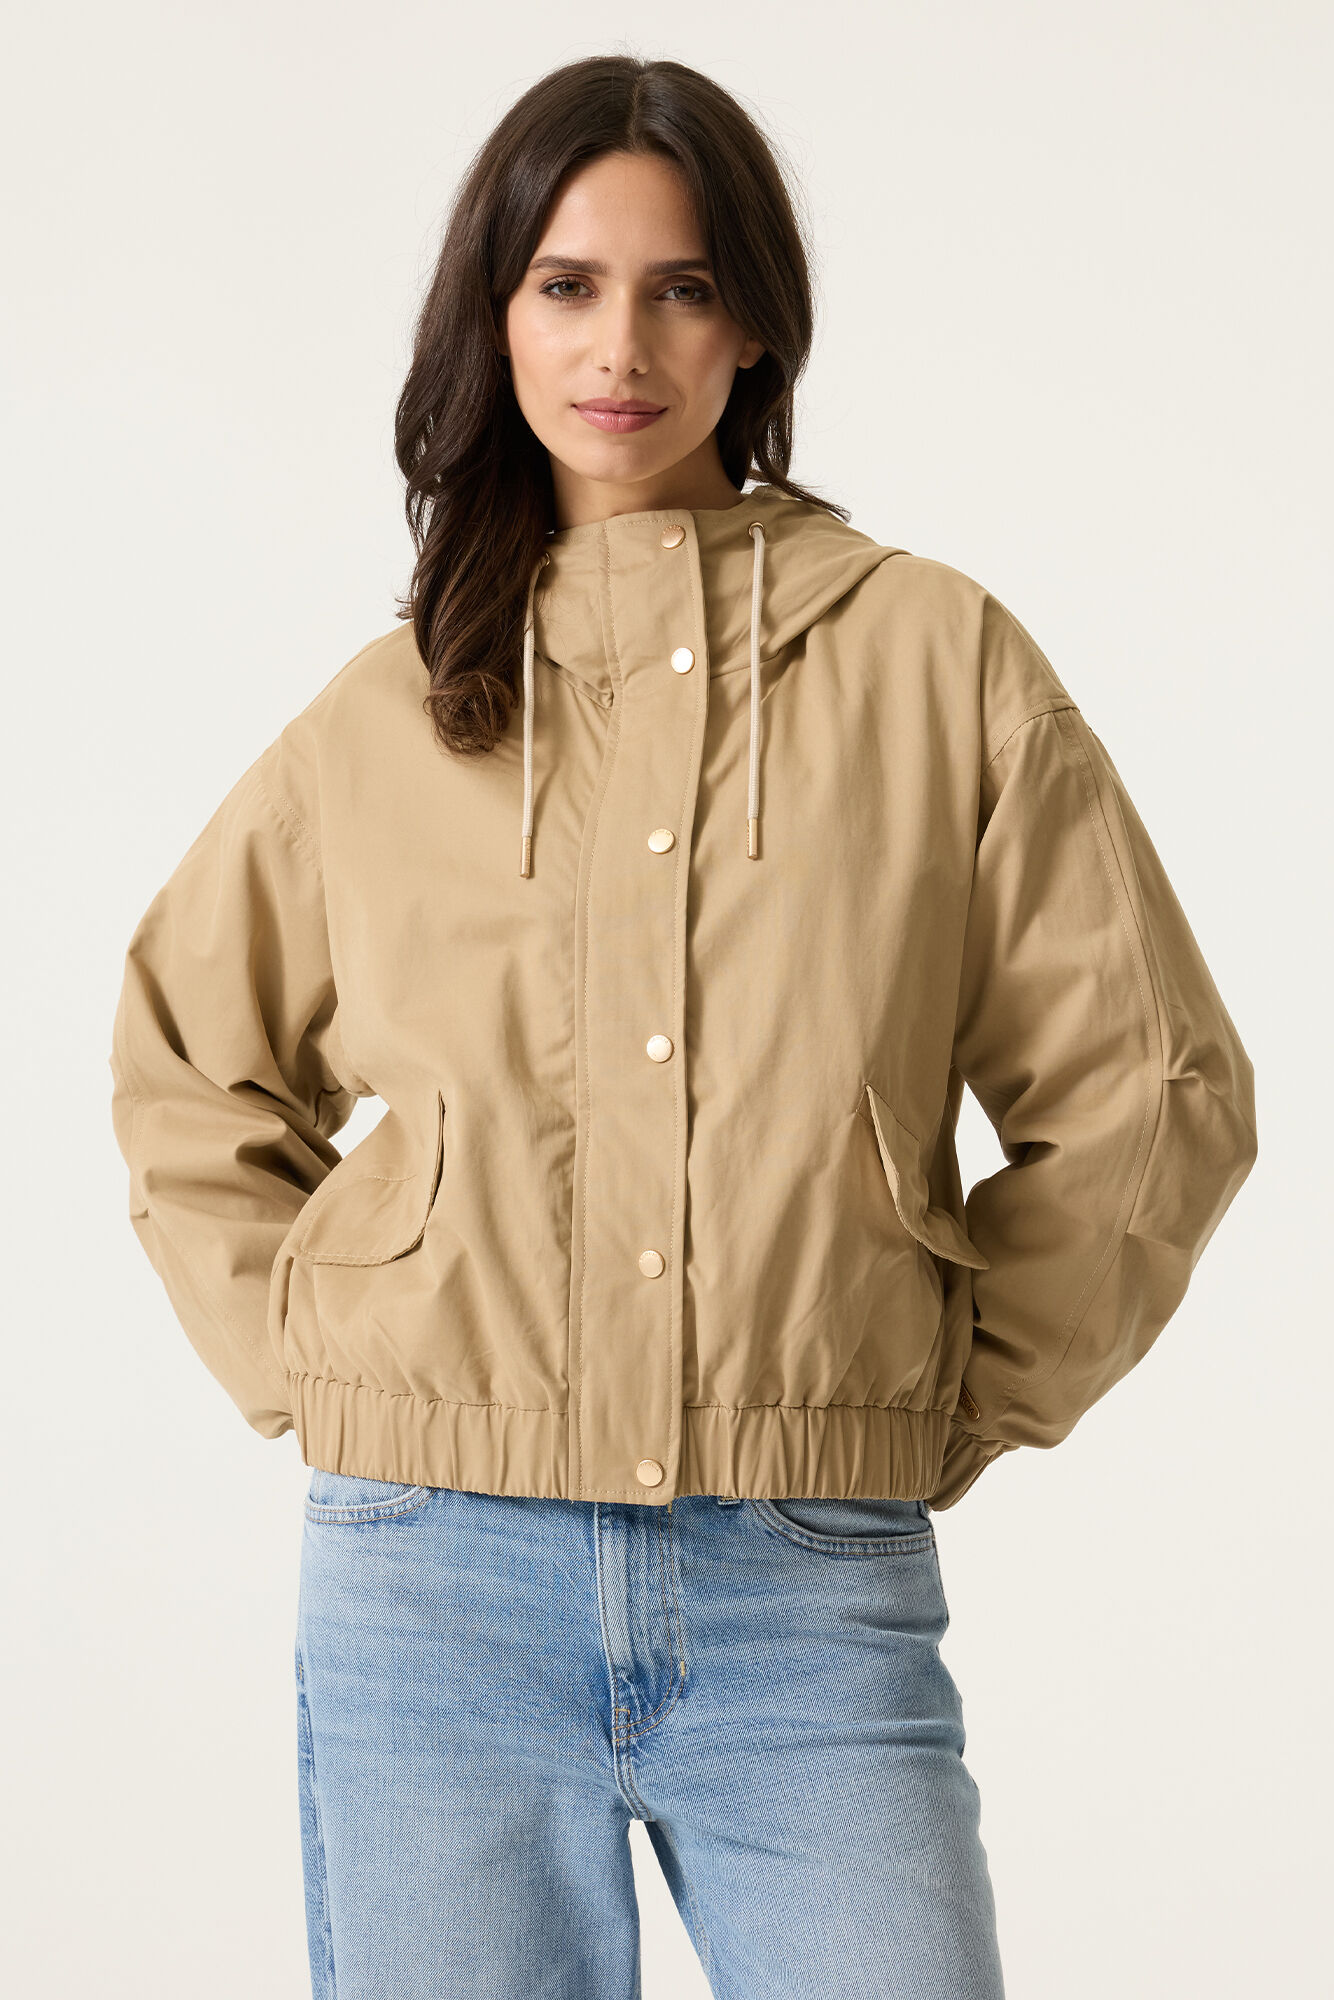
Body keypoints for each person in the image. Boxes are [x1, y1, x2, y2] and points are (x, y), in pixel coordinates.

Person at [108, 53, 1258, 2000]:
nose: (619, 345)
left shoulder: (931, 658)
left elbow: (1155, 1088)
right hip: (430, 1584)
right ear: (494, 316)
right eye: (565, 285)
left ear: (754, 324)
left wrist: (946, 1386)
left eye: (680, 287)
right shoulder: (395, 711)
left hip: (805, 1579)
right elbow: (184, 1068)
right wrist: (326, 1366)